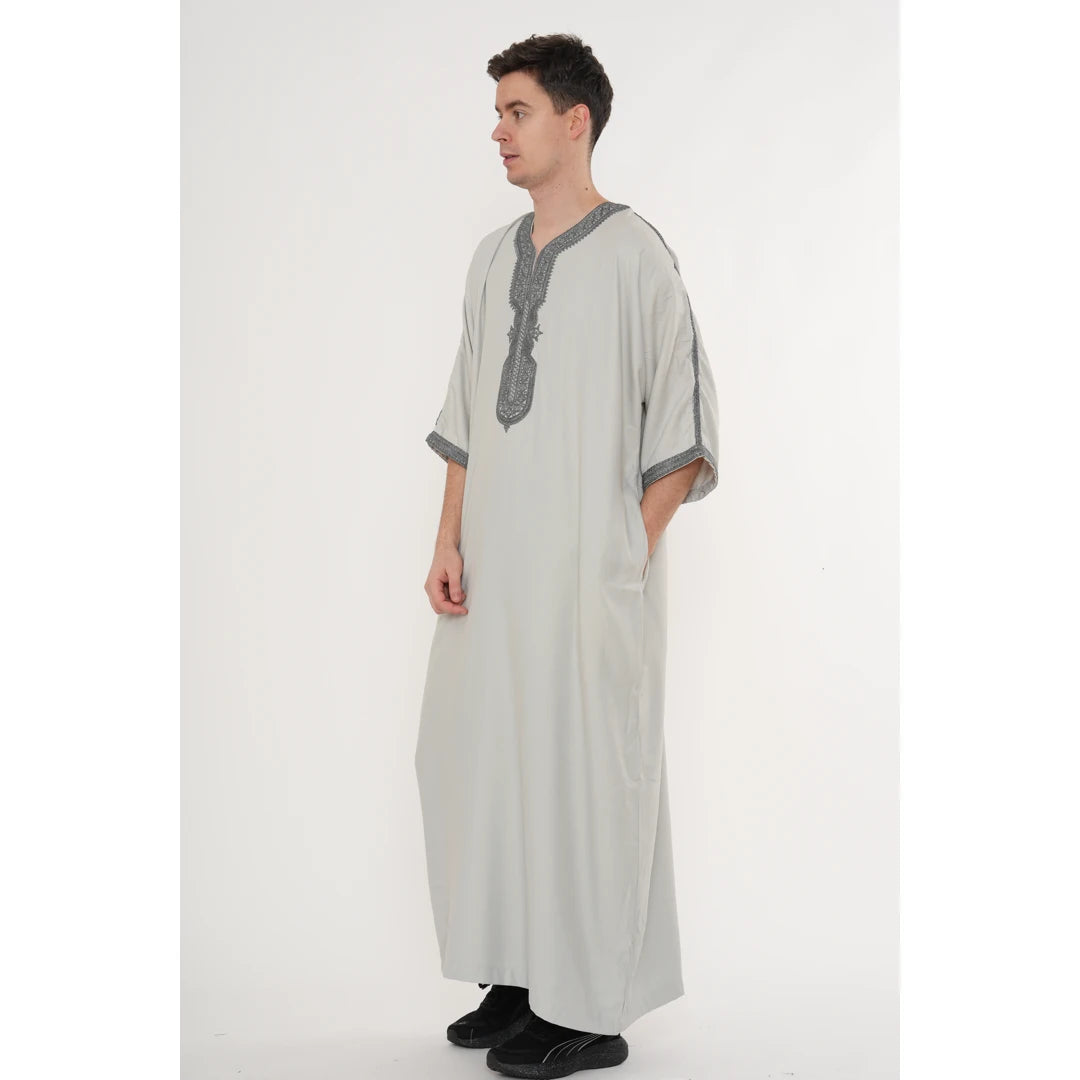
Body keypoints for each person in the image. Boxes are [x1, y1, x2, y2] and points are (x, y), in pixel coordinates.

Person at [415, 32, 720, 1079]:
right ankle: (518, 973)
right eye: (498, 113)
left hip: (589, 583)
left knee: (589, 775)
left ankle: (590, 1008)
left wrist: (623, 555)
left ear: (575, 121)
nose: (499, 131)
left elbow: (684, 427)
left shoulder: (636, 255)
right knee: (483, 760)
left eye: (518, 111)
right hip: (494, 576)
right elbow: (467, 413)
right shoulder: (492, 259)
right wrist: (448, 537)